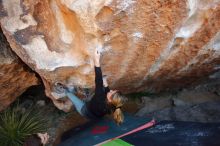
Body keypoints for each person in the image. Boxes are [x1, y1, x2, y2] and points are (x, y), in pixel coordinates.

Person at [53, 48, 127, 124]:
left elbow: (98, 80)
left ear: (110, 99)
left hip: (85, 111)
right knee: (90, 98)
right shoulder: (115, 105)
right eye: (113, 90)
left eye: (112, 92)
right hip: (95, 112)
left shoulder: (100, 98)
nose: (111, 90)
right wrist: (105, 83)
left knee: (72, 97)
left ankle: (64, 90)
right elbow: (107, 91)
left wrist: (96, 60)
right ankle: (85, 97)